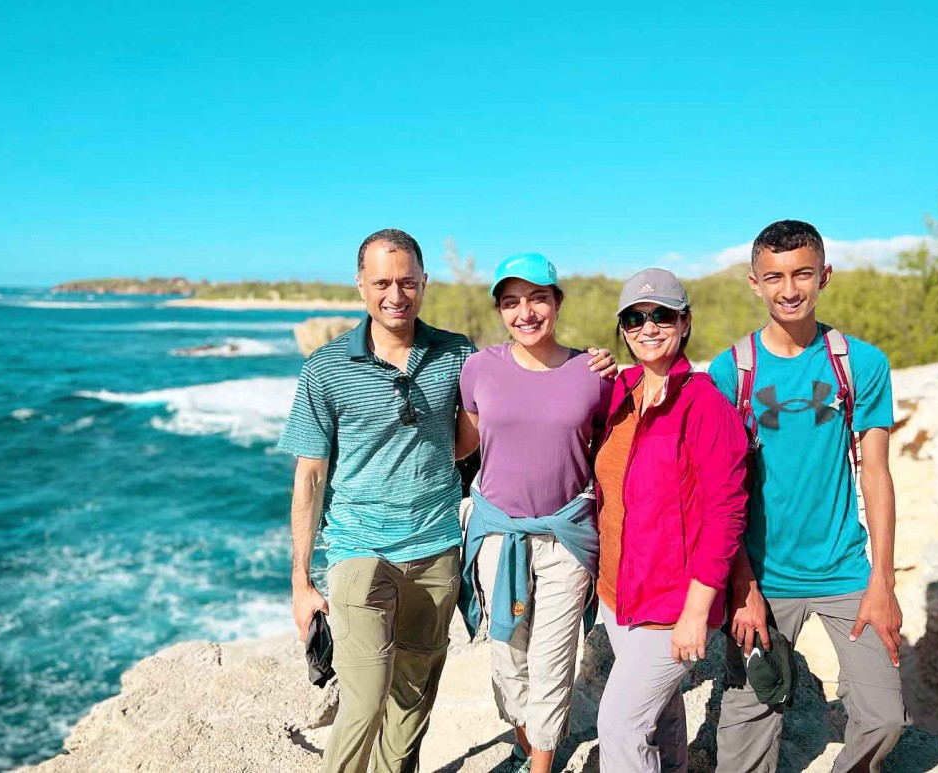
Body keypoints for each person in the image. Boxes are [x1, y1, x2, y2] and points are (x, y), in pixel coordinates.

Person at [278, 231, 615, 773]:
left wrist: (593, 363)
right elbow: (310, 477)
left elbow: (482, 428)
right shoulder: (326, 367)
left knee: (413, 701)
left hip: (439, 549)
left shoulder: (457, 354)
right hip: (359, 550)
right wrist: (300, 582)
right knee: (364, 697)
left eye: (407, 281)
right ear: (361, 285)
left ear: (424, 283)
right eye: (382, 282)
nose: (396, 294)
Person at [709, 220, 907, 772]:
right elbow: (723, 492)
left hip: (846, 573)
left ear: (825, 276)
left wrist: (882, 581)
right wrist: (742, 586)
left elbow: (876, 476)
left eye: (802, 274)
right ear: (754, 282)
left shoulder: (860, 363)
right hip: (762, 579)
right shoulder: (732, 371)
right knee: (749, 720)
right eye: (774, 277)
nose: (789, 289)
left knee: (884, 716)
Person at [455, 253, 613, 773]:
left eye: (538, 298)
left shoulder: (593, 373)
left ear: (558, 302)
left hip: (566, 536)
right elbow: (464, 445)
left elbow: (611, 452)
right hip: (498, 535)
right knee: (507, 658)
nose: (526, 312)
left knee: (552, 661)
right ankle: (526, 737)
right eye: (511, 302)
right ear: (500, 310)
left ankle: (540, 764)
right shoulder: (478, 369)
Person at [593, 267, 748, 772]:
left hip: (672, 603)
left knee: (619, 725)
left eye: (662, 314)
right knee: (659, 715)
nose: (648, 327)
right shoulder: (621, 391)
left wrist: (696, 611)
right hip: (618, 593)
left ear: (685, 322)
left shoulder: (706, 405)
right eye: (635, 318)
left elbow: (726, 515)